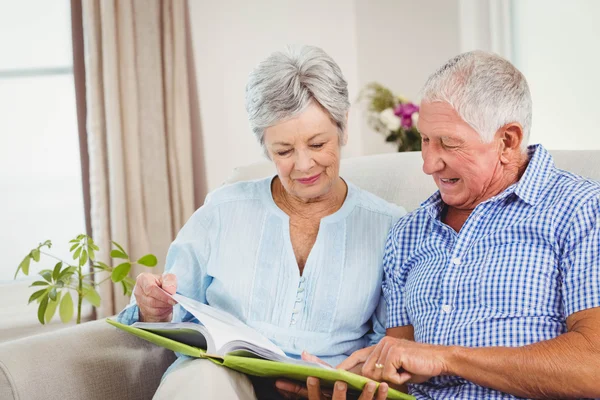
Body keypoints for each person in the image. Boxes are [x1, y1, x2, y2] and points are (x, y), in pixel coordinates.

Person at [280, 51, 600, 399]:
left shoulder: (581, 210)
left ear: (507, 141)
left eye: (448, 143)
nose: (429, 164)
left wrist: (448, 358)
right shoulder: (408, 234)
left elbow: (593, 367)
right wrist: (351, 384)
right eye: (425, 140)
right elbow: (399, 371)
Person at [116, 45, 405, 400]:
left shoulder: (391, 227)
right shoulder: (223, 209)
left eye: (317, 144)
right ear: (265, 146)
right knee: (202, 378)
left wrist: (358, 375)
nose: (303, 165)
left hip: (328, 389)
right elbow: (173, 312)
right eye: (284, 151)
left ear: (343, 128)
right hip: (222, 381)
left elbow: (390, 344)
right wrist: (153, 306)